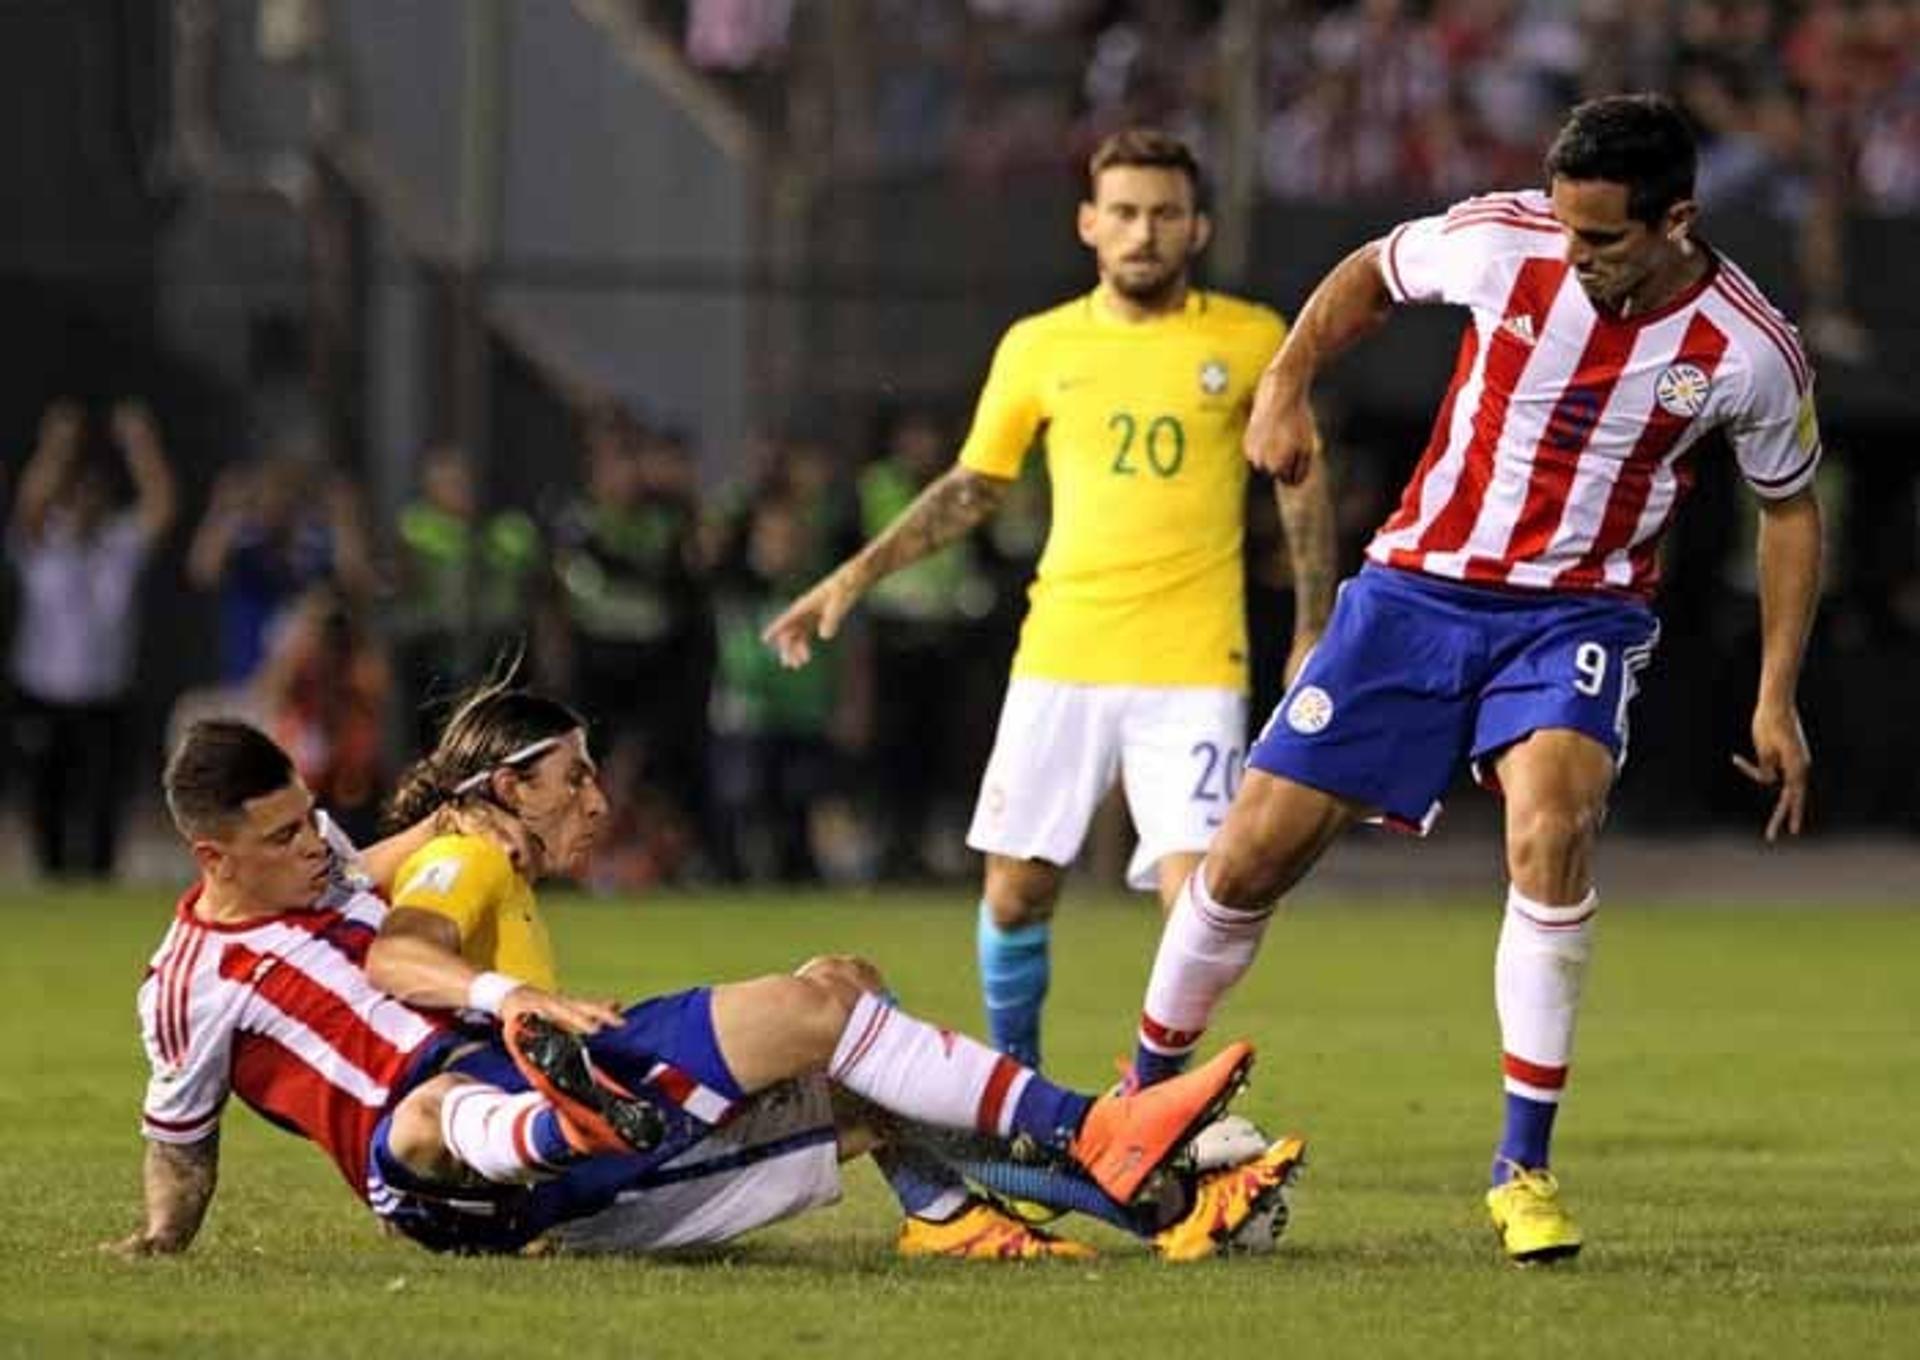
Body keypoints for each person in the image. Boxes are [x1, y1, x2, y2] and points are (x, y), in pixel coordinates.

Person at [1119, 94, 1823, 1264]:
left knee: (1552, 829)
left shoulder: (1748, 350)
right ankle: (1132, 1105)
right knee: (1247, 857)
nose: (1576, 254)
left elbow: (1789, 511)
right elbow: (1369, 273)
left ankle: (1522, 1169)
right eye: (1565, 227)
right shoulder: (1508, 241)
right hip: (1415, 594)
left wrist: (1776, 689)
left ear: (1677, 220)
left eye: (1602, 240)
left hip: (1576, 615)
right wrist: (1287, 382)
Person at [109, 719, 1278, 1262]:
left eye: (309, 814)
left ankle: (1094, 1172)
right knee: (425, 1115)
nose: (313, 841)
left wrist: (453, 813)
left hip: (517, 1060)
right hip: (431, 1170)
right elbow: (186, 1126)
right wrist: (164, 1241)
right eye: (279, 834)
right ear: (213, 859)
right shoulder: (189, 985)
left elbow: (389, 870)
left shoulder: (341, 863)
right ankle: (1122, 1179)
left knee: (838, 1007)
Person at [765, 128, 1337, 1070]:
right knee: (1015, 893)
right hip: (1063, 651)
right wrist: (853, 577)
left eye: (1162, 214)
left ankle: (1157, 1102)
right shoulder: (1039, 346)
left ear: (1196, 228)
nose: (1142, 232)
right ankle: (1020, 1093)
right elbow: (975, 484)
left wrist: (1314, 623)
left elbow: (1299, 478)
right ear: (1088, 224)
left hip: (1196, 661)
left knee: (1200, 899)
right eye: (1123, 213)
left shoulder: (1249, 340)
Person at [8, 398, 176, 878]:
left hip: (106, 698)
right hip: (45, 696)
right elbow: (30, 505)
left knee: (104, 803)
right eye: (76, 496)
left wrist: (140, 445)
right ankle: (52, 882)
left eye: (94, 496)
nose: (85, 505)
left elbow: (161, 506)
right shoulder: (43, 545)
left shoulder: (118, 545)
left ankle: (99, 884)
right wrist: (55, 448)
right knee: (47, 804)